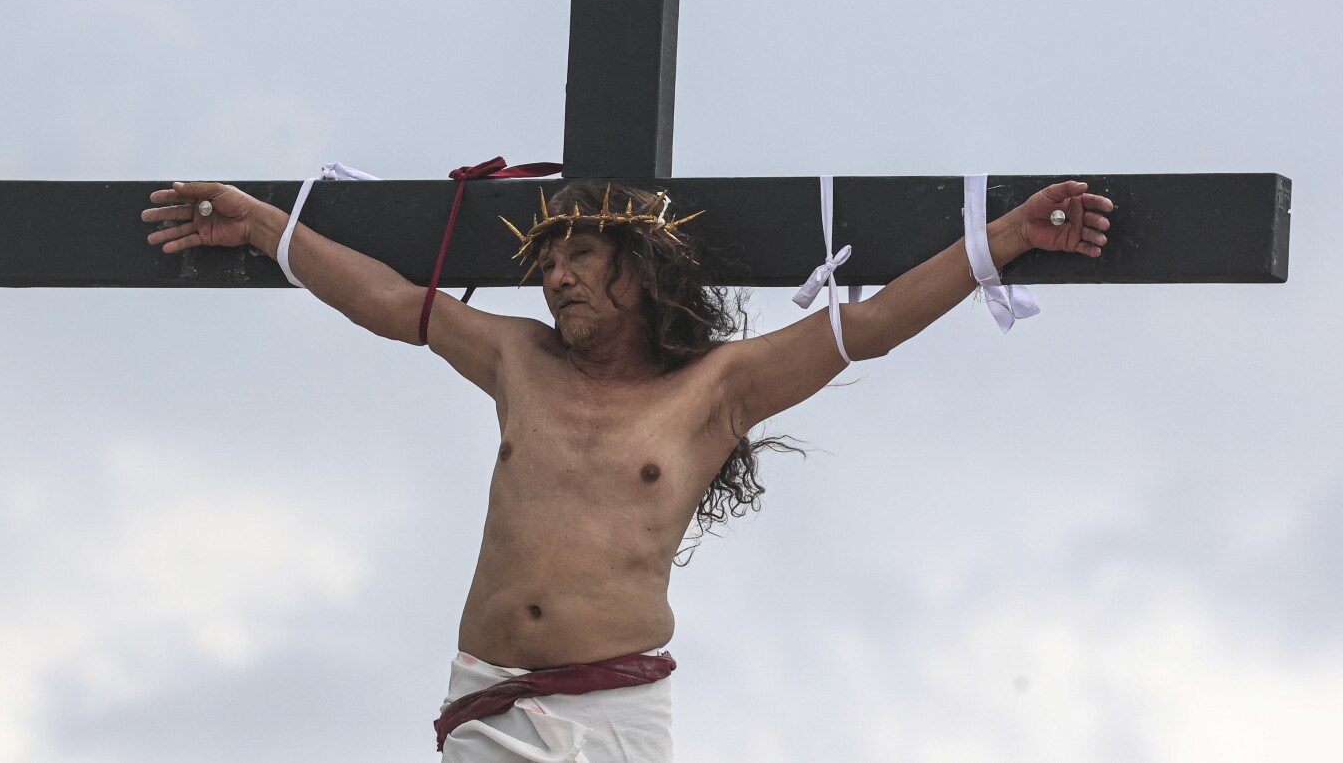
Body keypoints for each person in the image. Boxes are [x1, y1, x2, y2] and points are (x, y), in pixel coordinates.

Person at [141, 178, 1112, 761]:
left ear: (640, 273)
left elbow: (872, 326)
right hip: (491, 696)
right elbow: (394, 303)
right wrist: (268, 224)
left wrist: (1006, 238)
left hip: (617, 711)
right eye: (548, 261)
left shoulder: (717, 389)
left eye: (581, 255)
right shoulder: (519, 358)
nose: (556, 274)